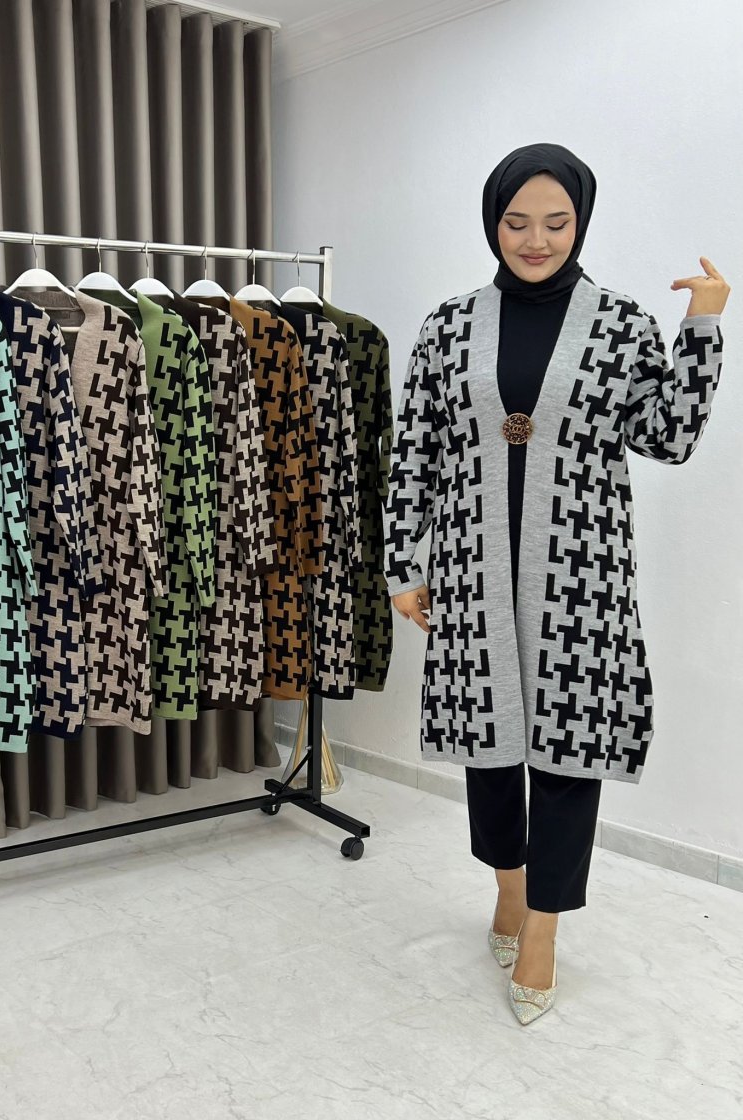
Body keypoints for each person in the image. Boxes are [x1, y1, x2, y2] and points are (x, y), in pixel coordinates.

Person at [384, 142, 729, 1025]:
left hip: (582, 574)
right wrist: (404, 566)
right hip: (471, 570)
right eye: (516, 221)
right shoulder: (449, 325)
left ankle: (543, 926)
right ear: (492, 223)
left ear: (580, 222)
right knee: (492, 749)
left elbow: (668, 436)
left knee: (571, 755)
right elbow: (415, 451)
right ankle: (509, 886)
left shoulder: (618, 325)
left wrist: (702, 328)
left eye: (556, 222)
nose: (535, 240)